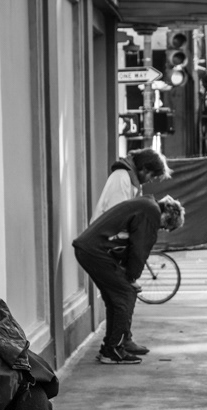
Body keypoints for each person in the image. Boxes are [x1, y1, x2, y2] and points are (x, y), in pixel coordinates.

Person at [74, 194, 186, 365]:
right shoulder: (151, 213)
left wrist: (130, 276)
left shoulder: (146, 204)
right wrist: (132, 277)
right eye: (164, 227)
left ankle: (115, 345)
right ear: (167, 217)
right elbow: (140, 249)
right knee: (125, 294)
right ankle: (113, 350)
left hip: (91, 249)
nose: (160, 229)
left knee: (116, 298)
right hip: (95, 252)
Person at [91, 147, 172, 356]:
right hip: (106, 245)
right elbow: (117, 215)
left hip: (111, 244)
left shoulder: (131, 180)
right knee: (124, 293)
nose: (149, 180)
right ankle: (115, 346)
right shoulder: (122, 179)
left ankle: (122, 340)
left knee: (122, 295)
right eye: (151, 175)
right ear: (144, 168)